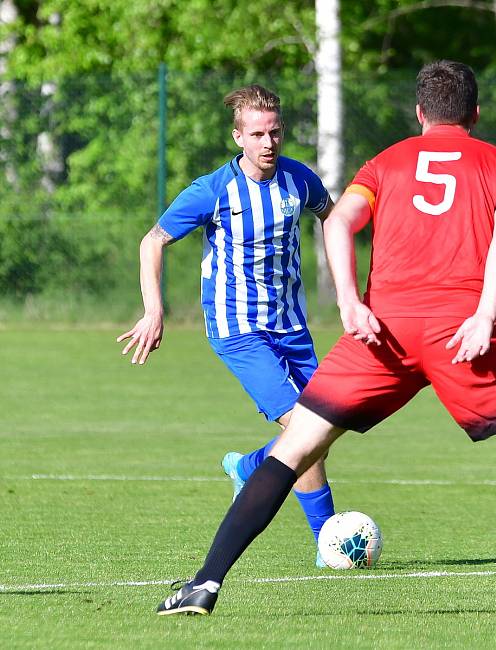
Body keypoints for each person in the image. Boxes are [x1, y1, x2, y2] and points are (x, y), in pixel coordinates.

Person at [154, 61, 496, 622]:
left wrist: (349, 301)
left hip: (382, 330)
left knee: (293, 449)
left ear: (420, 113)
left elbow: (339, 222)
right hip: (460, 330)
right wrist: (486, 311)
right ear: (476, 113)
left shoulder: (385, 162)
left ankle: (204, 584)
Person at [117, 84, 335, 566]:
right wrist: (155, 310)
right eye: (257, 133)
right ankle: (329, 544)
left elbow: (333, 219)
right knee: (304, 426)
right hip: (237, 330)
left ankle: (250, 465)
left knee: (321, 428)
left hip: (292, 327)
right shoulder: (213, 190)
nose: (268, 142)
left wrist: (352, 289)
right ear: (238, 137)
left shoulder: (300, 180)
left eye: (275, 132)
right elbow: (151, 242)